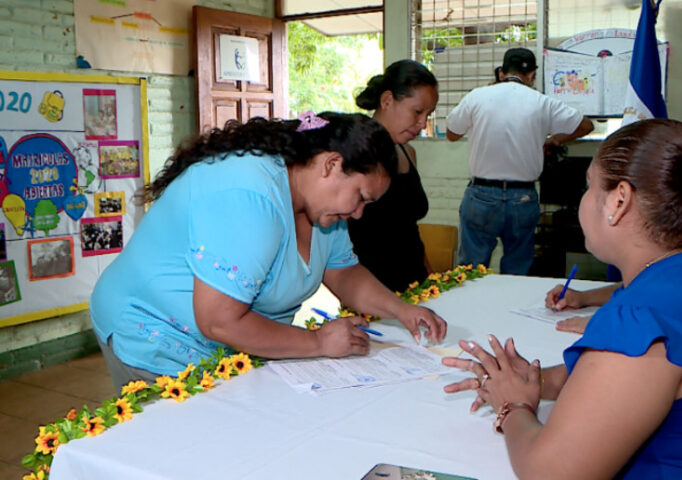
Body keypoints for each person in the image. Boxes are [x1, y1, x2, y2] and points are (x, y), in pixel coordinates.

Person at [442, 119, 682, 478]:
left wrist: (513, 405)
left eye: (588, 186)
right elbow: (635, 385)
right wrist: (539, 380)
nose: (583, 200)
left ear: (619, 200)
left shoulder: (641, 317)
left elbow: (552, 473)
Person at [90, 112, 447, 393]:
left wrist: (401, 309)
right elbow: (219, 320)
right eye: (361, 197)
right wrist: (318, 341)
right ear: (331, 165)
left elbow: (343, 272)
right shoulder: (251, 194)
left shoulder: (323, 209)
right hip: (156, 332)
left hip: (226, 343)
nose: (358, 214)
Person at [445, 47, 594, 275]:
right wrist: (554, 139)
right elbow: (586, 125)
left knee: (470, 269)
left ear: (502, 72)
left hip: (481, 195)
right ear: (532, 74)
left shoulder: (477, 96)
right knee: (517, 268)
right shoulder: (542, 102)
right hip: (522, 198)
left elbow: (452, 133)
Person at [348, 60, 439, 292]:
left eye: (428, 115)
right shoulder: (354, 154)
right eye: (417, 112)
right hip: (371, 291)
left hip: (416, 285)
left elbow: (409, 229)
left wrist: (429, 276)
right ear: (387, 100)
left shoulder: (408, 153)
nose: (422, 124)